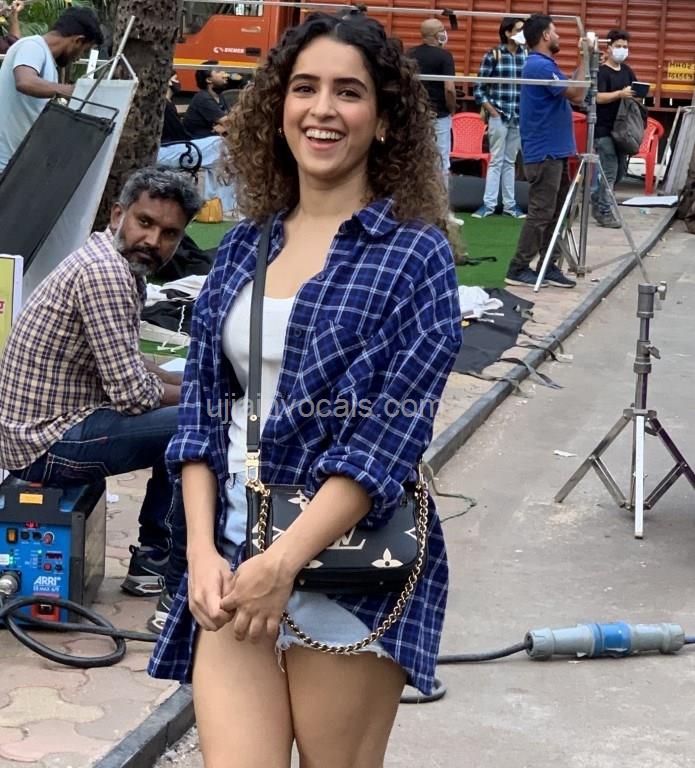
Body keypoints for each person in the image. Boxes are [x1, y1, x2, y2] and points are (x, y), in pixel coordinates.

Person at [148, 12, 462, 768]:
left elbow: (385, 444)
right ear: (277, 107)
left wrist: (282, 563)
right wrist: (200, 552)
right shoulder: (243, 247)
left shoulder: (414, 256)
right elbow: (200, 416)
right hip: (231, 564)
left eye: (348, 92)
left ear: (384, 121)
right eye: (304, 88)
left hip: (348, 572)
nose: (322, 109)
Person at [0, 167, 201, 609]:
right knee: (196, 422)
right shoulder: (106, 273)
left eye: (169, 233)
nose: (153, 240)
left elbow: (131, 361)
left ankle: (155, 555)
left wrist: (190, 380)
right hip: (45, 444)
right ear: (117, 214)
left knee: (191, 404)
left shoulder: (115, 261)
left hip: (45, 431)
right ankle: (158, 559)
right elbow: (132, 394)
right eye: (145, 222)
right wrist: (204, 396)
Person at [505, 13, 586, 289]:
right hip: (545, 152)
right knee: (542, 212)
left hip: (555, 151)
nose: (559, 36)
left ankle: (548, 265)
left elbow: (574, 90)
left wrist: (583, 62)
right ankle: (518, 267)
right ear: (545, 36)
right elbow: (577, 94)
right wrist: (584, 58)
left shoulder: (546, 65)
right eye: (556, 31)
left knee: (557, 212)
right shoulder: (539, 66)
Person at [0, 6, 103, 173]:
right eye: (83, 51)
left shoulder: (48, 65)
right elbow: (25, 81)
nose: (78, 58)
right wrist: (70, 91)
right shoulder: (32, 46)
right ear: (78, 40)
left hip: (14, 165)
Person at [473, 17, 527, 219]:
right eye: (519, 30)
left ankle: (510, 206)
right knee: (496, 160)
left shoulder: (527, 55)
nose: (523, 34)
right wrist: (493, 111)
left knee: (510, 161)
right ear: (507, 33)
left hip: (518, 116)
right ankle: (489, 204)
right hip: (500, 114)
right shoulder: (494, 54)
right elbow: (479, 87)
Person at [591, 29, 637, 228]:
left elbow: (634, 90)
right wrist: (619, 94)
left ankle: (596, 197)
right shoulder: (601, 72)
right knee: (609, 172)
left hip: (622, 131)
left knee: (620, 173)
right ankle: (604, 212)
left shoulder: (627, 71)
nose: (622, 50)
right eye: (618, 46)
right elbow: (597, 97)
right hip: (603, 130)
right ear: (608, 48)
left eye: (625, 47)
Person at [408, 18, 456, 190]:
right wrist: (452, 108)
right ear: (437, 35)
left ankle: (414, 201)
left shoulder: (409, 54)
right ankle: (441, 203)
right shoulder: (445, 56)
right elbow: (449, 88)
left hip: (415, 115)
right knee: (441, 162)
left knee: (415, 159)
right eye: (442, 30)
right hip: (439, 116)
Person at [182, 61, 230, 139]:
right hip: (197, 141)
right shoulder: (203, 98)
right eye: (218, 71)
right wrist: (226, 125)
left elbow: (230, 117)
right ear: (208, 80)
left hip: (212, 138)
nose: (225, 74)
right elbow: (230, 122)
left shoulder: (219, 95)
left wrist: (225, 127)